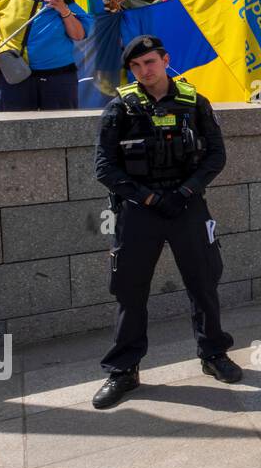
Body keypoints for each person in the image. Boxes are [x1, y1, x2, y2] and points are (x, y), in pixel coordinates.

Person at [90, 35, 241, 409]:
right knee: (130, 290)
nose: (145, 71)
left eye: (150, 63)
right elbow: (104, 167)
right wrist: (149, 197)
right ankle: (124, 370)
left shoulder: (195, 103)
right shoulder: (120, 108)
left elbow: (216, 157)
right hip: (139, 210)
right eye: (137, 66)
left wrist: (185, 192)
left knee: (203, 282)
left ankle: (213, 354)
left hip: (186, 206)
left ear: (165, 59)